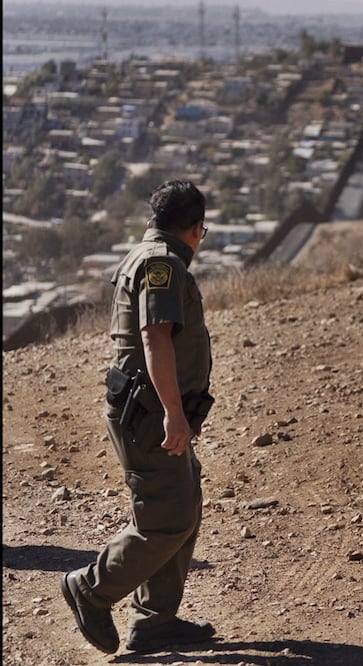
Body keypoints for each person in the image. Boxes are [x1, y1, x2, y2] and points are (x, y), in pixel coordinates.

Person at [60, 180, 217, 654]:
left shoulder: (146, 254)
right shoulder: (160, 263)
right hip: (150, 412)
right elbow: (154, 338)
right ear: (193, 228)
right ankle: (90, 588)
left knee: (182, 507)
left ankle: (155, 622)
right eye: (203, 231)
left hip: (154, 409)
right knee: (165, 519)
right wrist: (173, 413)